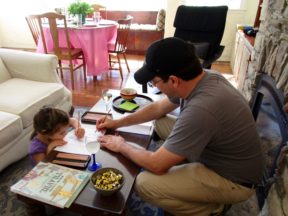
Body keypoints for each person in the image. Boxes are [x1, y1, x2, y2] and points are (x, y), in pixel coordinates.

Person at [96, 37, 264, 216]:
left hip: (233, 179)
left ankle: (213, 208)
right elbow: (159, 108)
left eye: (155, 82)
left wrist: (121, 146)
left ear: (174, 80)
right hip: (218, 150)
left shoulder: (202, 109)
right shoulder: (203, 76)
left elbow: (156, 165)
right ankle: (187, 169)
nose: (154, 85)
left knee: (144, 183)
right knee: (159, 120)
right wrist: (118, 122)